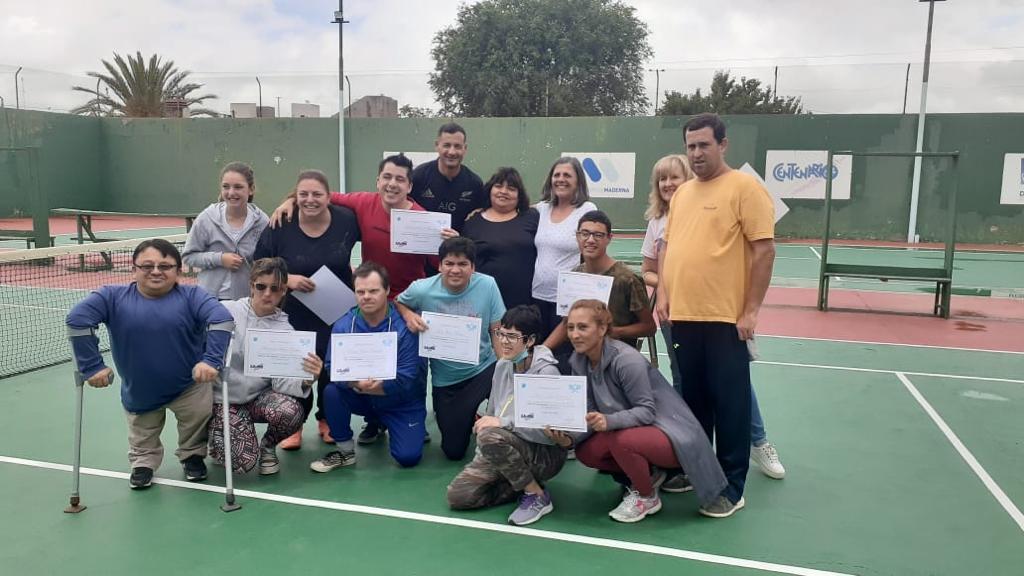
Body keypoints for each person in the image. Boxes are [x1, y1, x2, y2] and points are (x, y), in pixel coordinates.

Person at [655, 113, 778, 517]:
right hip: (682, 318)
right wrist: (665, 298)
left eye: (704, 145)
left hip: (726, 319)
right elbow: (670, 250)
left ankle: (731, 485)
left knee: (731, 404)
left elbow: (764, 250)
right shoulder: (683, 194)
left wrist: (752, 310)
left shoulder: (746, 188)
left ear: (723, 145)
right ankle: (694, 469)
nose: (696, 153)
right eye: (691, 146)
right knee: (692, 403)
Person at [66, 238, 233, 489]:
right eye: (147, 265)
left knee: (195, 422)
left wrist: (211, 361)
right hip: (140, 388)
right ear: (134, 269)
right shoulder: (110, 297)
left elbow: (222, 320)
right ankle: (143, 462)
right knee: (142, 431)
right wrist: (92, 367)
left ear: (178, 270)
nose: (156, 271)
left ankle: (192, 456)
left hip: (190, 385)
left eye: (165, 266)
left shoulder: (194, 296)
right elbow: (77, 320)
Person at [566, 300, 727, 523]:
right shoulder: (578, 362)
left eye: (582, 327)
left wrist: (609, 421)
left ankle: (647, 496)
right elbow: (589, 411)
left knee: (621, 440)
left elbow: (647, 412)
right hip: (631, 431)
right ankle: (648, 474)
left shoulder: (626, 360)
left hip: (670, 433)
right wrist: (567, 438)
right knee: (586, 452)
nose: (574, 335)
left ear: (602, 329)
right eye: (570, 327)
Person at [254, 170, 360, 450]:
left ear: (328, 196)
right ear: (295, 196)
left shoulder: (347, 220)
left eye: (317, 194)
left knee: (330, 367)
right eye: (303, 194)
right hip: (293, 312)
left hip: (336, 310)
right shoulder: (282, 222)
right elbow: (259, 264)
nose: (310, 200)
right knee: (297, 366)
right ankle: (295, 423)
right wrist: (286, 280)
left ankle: (327, 420)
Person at [446, 305, 577, 526]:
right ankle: (517, 481)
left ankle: (536, 495)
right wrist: (485, 452)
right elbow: (492, 412)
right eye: (501, 334)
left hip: (543, 454)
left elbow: (547, 434)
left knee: (491, 435)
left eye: (513, 336)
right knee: (459, 496)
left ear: (530, 341)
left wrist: (502, 424)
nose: (504, 342)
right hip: (505, 445)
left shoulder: (547, 373)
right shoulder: (503, 365)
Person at [268, 154, 454, 300]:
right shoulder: (363, 202)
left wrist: (451, 244)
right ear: (378, 181)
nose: (392, 184)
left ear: (409, 186)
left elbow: (443, 265)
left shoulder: (424, 220)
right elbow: (321, 195)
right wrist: (291, 200)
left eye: (399, 179)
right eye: (387, 177)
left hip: (409, 299)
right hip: (370, 295)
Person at [395, 237, 506, 460]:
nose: (455, 270)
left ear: (473, 267)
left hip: (483, 369)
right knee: (453, 451)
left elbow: (497, 330)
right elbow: (399, 301)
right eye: (449, 263)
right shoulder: (422, 289)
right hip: (446, 380)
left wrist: (504, 368)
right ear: (439, 265)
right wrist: (408, 315)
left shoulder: (487, 285)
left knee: (503, 381)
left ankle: (494, 423)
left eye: (463, 264)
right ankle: (469, 415)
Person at [311, 262, 428, 471]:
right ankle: (345, 451)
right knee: (332, 392)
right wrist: (355, 383)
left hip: (401, 402)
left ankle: (389, 423)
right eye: (361, 291)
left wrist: (378, 387)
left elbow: (408, 376)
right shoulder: (344, 324)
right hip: (362, 395)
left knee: (408, 457)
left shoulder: (405, 326)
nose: (366, 296)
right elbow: (331, 367)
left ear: (388, 291)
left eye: (373, 291)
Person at [211, 257, 323, 476]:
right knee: (242, 463)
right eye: (261, 286)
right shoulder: (224, 311)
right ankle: (214, 436)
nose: (267, 294)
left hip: (256, 398)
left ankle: (268, 446)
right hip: (222, 398)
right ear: (251, 285)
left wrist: (308, 379)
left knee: (290, 412)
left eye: (276, 288)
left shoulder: (286, 330)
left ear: (283, 292)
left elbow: (281, 381)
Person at [543, 210, 655, 355]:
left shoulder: (627, 279)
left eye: (598, 235)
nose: (590, 240)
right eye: (585, 233)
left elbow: (649, 327)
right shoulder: (574, 275)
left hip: (617, 359)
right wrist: (543, 350)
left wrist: (613, 332)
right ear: (577, 236)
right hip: (582, 359)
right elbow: (566, 323)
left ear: (609, 238)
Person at [531, 157, 598, 341]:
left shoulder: (586, 209)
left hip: (568, 302)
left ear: (578, 181)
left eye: (567, 175)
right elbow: (513, 211)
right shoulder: (542, 208)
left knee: (562, 359)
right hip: (537, 297)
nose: (561, 179)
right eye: (557, 175)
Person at [183, 162, 270, 300]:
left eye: (238, 187)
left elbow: (267, 261)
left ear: (251, 189)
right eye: (226, 187)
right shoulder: (207, 218)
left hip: (247, 300)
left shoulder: (262, 221)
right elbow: (188, 256)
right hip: (210, 299)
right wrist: (220, 259)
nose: (231, 192)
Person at [462, 167, 540, 309]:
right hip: (481, 301)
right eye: (498, 186)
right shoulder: (472, 221)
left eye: (511, 188)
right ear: (490, 190)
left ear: (519, 195)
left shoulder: (532, 217)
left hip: (522, 305)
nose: (503, 192)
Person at [410, 122, 486, 232]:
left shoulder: (475, 184)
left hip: (458, 247)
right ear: (437, 145)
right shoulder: (418, 176)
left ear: (465, 148)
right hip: (421, 245)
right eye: (447, 145)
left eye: (457, 146)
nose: (452, 152)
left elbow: (480, 220)